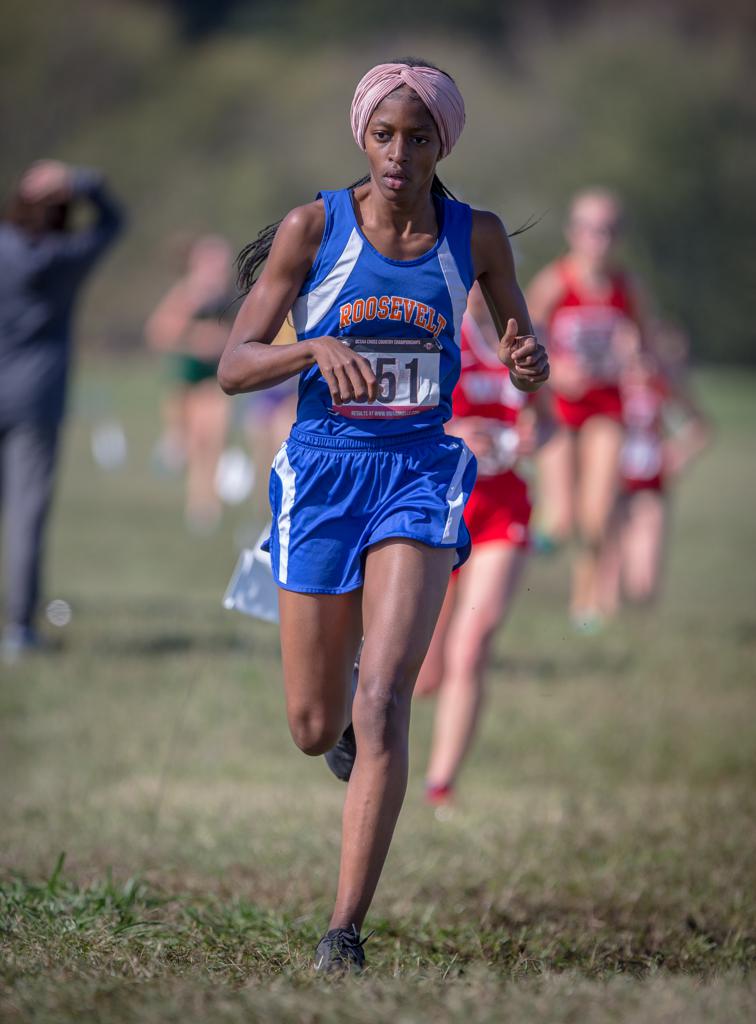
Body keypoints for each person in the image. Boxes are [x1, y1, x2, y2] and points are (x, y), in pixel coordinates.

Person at [217, 59, 549, 972]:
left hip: (420, 470)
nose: (400, 154)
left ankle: (343, 933)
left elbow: (523, 350)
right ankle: (349, 729)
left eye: (420, 137)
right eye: (384, 135)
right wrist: (312, 346)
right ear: (362, 136)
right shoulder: (313, 226)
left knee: (387, 696)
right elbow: (233, 363)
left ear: (445, 143)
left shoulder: (474, 236)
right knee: (316, 724)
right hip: (323, 473)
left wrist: (528, 361)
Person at [414, 282, 554, 806]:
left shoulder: (529, 348)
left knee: (470, 648)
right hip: (440, 510)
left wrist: (535, 437)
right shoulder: (441, 339)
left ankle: (440, 786)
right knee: (423, 674)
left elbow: (549, 421)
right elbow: (400, 418)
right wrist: (453, 431)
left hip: (504, 510)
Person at [0, 160, 124, 662]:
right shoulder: (66, 257)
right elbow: (114, 221)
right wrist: (82, 180)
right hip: (36, 397)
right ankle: (17, 629)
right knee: (26, 512)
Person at [526, 188, 646, 631]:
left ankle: (586, 602)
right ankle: (534, 533)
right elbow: (521, 340)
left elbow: (646, 341)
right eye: (592, 229)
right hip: (558, 407)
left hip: (606, 406)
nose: (601, 239)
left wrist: (636, 357)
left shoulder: (627, 287)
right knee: (563, 518)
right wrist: (556, 371)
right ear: (573, 233)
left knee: (597, 512)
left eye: (611, 231)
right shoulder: (555, 282)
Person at [600, 323, 711, 612]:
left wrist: (679, 453)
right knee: (607, 552)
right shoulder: (605, 384)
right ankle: (604, 616)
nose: (635, 359)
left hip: (649, 481)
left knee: (643, 581)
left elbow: (699, 427)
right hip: (610, 478)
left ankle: (640, 615)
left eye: (640, 351)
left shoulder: (660, 384)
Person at [145, 235, 235, 533]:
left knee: (212, 438)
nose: (215, 271)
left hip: (214, 377)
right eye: (209, 263)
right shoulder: (185, 294)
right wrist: (194, 332)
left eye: (220, 264)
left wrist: (218, 341)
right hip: (185, 376)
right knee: (192, 441)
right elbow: (159, 333)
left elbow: (241, 334)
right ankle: (175, 446)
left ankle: (205, 506)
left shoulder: (229, 297)